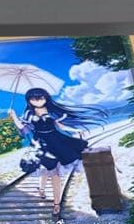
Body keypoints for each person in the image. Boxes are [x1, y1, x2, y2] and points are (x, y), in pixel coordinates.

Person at [6, 88, 106, 217]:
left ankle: (56, 204)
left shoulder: (51, 111)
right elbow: (23, 129)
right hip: (41, 144)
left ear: (46, 98)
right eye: (34, 98)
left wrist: (75, 130)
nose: (38, 101)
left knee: (55, 174)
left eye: (41, 97)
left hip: (58, 142)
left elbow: (61, 126)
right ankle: (41, 189)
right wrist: (14, 116)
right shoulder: (29, 114)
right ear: (29, 100)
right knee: (48, 169)